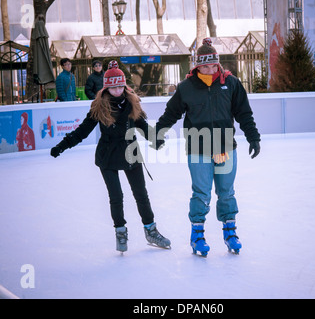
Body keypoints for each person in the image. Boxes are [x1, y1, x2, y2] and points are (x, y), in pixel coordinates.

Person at [154, 38, 261, 257]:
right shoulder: (186, 87)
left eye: (213, 65)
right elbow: (171, 113)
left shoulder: (231, 84)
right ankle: (197, 235)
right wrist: (159, 132)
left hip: (225, 149)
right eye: (205, 65)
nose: (210, 69)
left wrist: (253, 137)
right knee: (201, 193)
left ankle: (230, 232)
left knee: (226, 193)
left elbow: (244, 113)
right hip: (199, 149)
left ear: (218, 64)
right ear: (196, 66)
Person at [50, 60, 171, 253]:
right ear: (106, 87)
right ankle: (120, 231)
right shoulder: (99, 107)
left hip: (131, 153)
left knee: (141, 194)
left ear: (124, 85)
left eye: (120, 86)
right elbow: (82, 131)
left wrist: (155, 139)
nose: (116, 90)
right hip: (108, 156)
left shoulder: (132, 104)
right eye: (112, 87)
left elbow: (143, 127)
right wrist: (62, 146)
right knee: (116, 196)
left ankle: (151, 230)